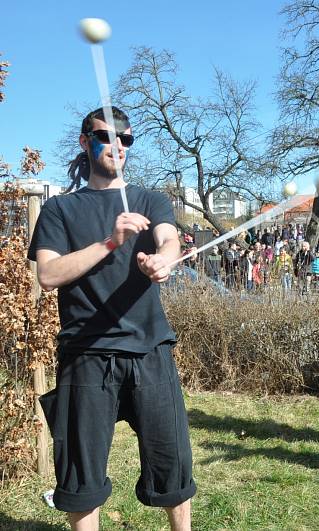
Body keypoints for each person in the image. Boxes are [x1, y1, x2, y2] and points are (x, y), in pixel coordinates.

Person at [28, 106, 194, 531]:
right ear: (85, 142)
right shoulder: (60, 211)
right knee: (80, 477)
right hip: (86, 353)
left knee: (173, 466)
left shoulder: (149, 199)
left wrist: (164, 261)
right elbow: (48, 274)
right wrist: (110, 242)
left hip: (150, 349)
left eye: (126, 139)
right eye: (105, 136)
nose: (117, 145)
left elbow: (168, 237)